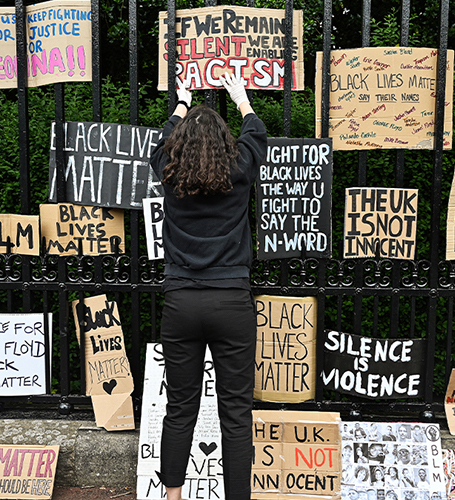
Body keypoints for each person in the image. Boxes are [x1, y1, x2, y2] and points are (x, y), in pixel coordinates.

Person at [151, 73, 267, 500]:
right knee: (236, 413)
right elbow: (257, 135)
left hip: (181, 302)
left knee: (180, 408)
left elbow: (160, 147)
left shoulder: (168, 171)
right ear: (225, 143)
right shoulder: (238, 170)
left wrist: (182, 104)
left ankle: (173, 496)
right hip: (231, 303)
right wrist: (241, 99)